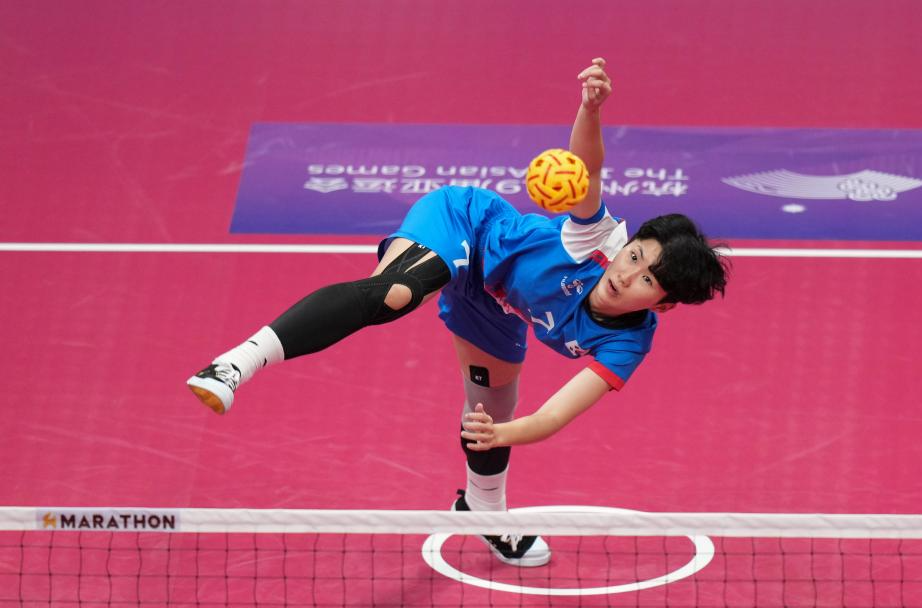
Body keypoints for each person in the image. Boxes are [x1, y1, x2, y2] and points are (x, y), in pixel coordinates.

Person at [187, 58, 729, 567]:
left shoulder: (628, 341)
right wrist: (591, 109)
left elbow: (554, 416)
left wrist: (501, 435)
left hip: (493, 305)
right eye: (635, 256)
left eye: (647, 280)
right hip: (465, 225)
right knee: (398, 292)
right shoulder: (598, 241)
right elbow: (588, 170)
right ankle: (235, 364)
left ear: (664, 304)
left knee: (489, 413)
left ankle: (482, 510)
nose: (627, 275)